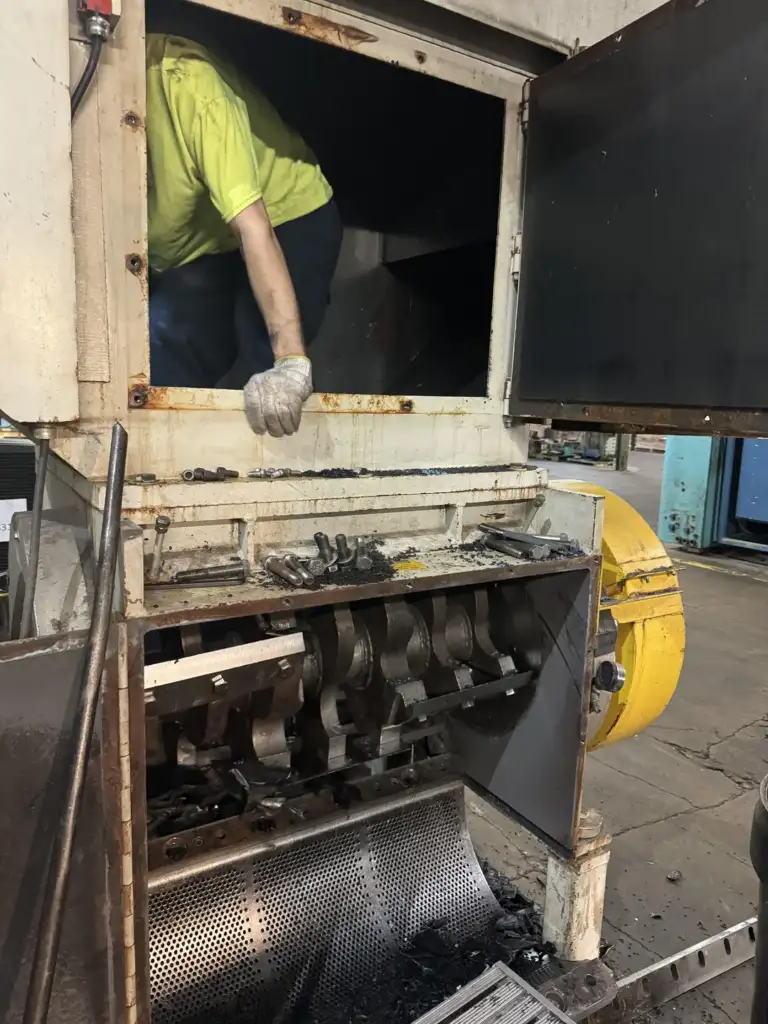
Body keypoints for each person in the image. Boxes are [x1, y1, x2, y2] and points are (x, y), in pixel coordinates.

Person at [146, 33, 342, 437]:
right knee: (161, 342)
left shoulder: (188, 85)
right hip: (203, 242)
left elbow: (253, 226)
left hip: (287, 214)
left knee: (264, 378)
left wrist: (290, 363)